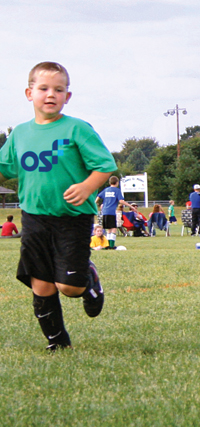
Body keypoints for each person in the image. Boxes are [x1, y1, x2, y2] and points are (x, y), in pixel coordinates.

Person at [0, 62, 112, 351]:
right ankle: (58, 342)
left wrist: (88, 186)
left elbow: (104, 166)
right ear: (29, 93)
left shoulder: (77, 129)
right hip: (34, 217)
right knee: (42, 284)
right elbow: (6, 167)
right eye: (43, 88)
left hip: (72, 218)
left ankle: (89, 278)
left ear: (67, 96)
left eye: (58, 89)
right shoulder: (20, 134)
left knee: (69, 287)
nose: (51, 94)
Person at [96, 175, 132, 249]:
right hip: (111, 212)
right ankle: (111, 245)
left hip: (104, 211)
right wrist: (130, 206)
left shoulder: (106, 190)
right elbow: (121, 201)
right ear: (117, 182)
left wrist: (96, 203)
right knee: (114, 228)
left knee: (109, 229)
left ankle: (108, 245)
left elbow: (98, 196)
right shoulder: (117, 190)